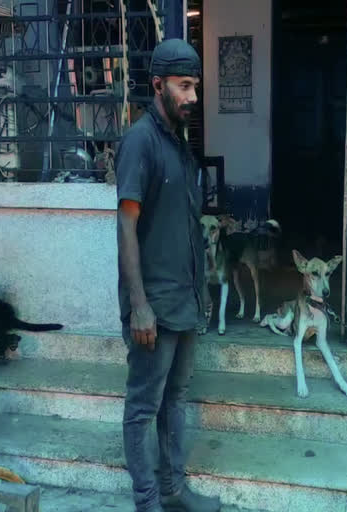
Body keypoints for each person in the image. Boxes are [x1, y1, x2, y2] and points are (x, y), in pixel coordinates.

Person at [115, 38, 220, 512]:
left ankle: (174, 489)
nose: (193, 97)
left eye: (195, 86)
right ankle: (147, 502)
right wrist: (139, 305)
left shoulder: (177, 141)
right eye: (184, 86)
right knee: (142, 410)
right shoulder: (141, 141)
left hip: (184, 301)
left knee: (175, 399)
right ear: (158, 85)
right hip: (153, 305)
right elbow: (126, 222)